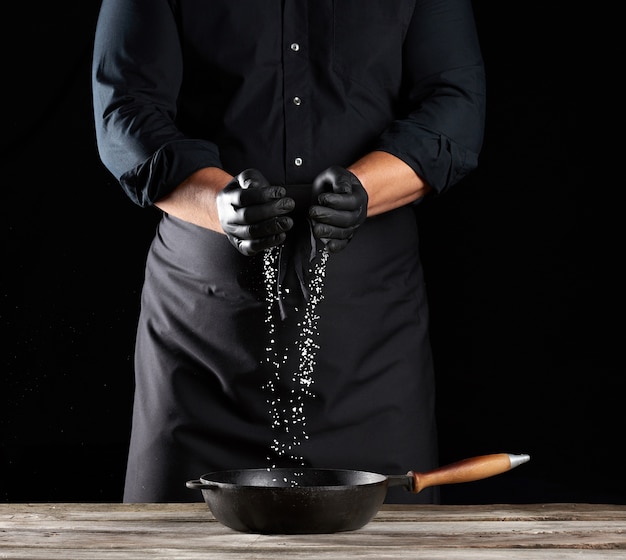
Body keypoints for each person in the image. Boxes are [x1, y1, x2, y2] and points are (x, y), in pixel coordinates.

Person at [92, 0, 486, 504]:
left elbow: (455, 104)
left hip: (371, 342)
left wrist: (362, 189)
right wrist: (219, 202)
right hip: (202, 338)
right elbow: (126, 106)